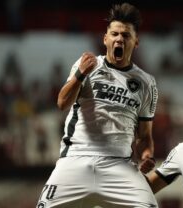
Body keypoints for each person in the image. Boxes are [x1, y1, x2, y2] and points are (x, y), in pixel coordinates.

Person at [36, 3, 158, 208]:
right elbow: (62, 103)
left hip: (120, 165)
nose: (120, 39)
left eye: (126, 35)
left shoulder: (146, 82)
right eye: (115, 34)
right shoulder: (88, 66)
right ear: (106, 39)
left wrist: (147, 155)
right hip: (76, 159)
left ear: (136, 42)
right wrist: (79, 74)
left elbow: (145, 136)